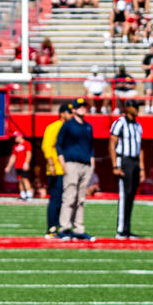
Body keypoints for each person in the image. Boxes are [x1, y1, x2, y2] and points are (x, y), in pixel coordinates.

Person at [55, 98, 95, 241]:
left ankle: (79, 229)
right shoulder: (68, 125)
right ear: (73, 109)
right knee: (69, 197)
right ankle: (65, 227)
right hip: (72, 163)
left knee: (80, 199)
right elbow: (58, 144)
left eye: (84, 106)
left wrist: (91, 161)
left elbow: (90, 147)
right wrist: (63, 162)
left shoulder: (88, 126)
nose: (83, 108)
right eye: (80, 106)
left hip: (85, 164)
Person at [109, 99, 144, 238]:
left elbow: (140, 147)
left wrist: (142, 168)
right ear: (127, 108)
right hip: (124, 160)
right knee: (125, 194)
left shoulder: (137, 126)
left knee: (131, 195)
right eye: (134, 106)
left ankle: (127, 228)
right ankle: (121, 230)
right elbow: (112, 143)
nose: (136, 109)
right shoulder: (120, 123)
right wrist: (115, 165)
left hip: (135, 162)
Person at [42, 103, 69, 238]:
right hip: (56, 169)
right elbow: (47, 147)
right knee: (56, 200)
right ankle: (51, 228)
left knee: (65, 201)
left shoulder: (69, 128)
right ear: (62, 113)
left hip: (67, 170)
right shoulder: (53, 127)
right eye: (69, 112)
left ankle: (61, 226)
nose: (71, 115)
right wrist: (51, 164)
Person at [4, 133, 33, 200]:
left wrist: (26, 163)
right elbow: (13, 156)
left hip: (24, 165)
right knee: (20, 180)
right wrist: (9, 166)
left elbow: (29, 153)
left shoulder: (27, 143)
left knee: (25, 179)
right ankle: (23, 195)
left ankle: (29, 195)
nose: (15, 138)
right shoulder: (15, 147)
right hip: (18, 166)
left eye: (16, 137)